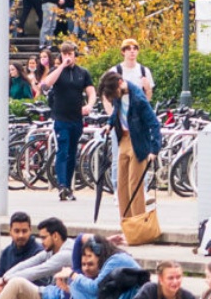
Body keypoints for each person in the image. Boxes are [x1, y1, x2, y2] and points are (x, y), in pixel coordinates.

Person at [99, 69, 160, 231]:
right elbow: (116, 113)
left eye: (114, 93)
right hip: (124, 140)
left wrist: (154, 149)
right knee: (121, 184)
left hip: (138, 142)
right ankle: (126, 224)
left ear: (120, 83)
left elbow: (154, 123)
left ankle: (139, 226)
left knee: (135, 184)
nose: (114, 97)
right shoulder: (118, 94)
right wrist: (109, 124)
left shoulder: (138, 99)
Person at [37, 42, 95, 202]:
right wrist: (61, 66)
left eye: (71, 54)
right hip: (60, 118)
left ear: (75, 55)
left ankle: (68, 186)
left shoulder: (82, 73)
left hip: (76, 118)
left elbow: (91, 91)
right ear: (61, 56)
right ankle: (62, 185)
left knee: (72, 152)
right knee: (62, 150)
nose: (68, 57)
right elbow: (46, 84)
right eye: (65, 54)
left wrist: (89, 105)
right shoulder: (57, 71)